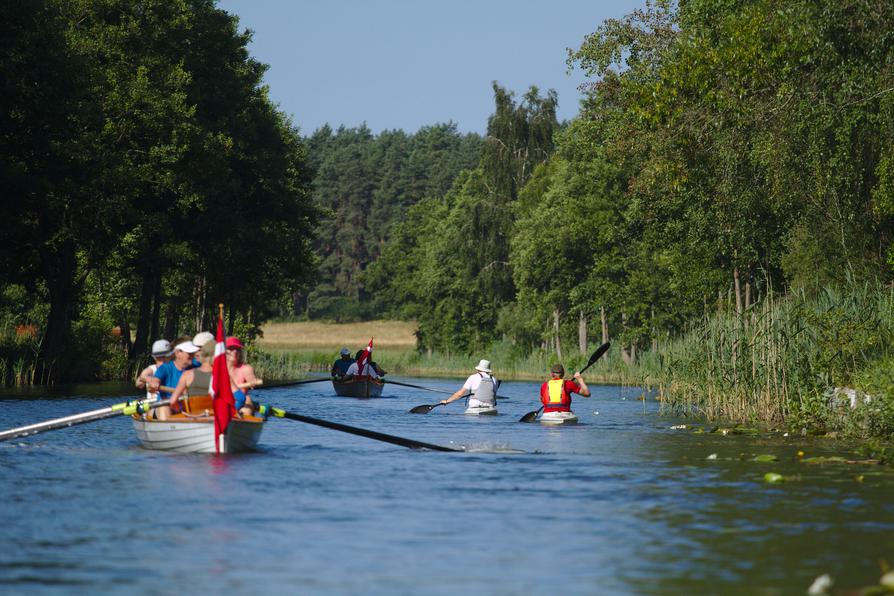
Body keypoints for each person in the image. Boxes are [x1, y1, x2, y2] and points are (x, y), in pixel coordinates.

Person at [148, 338, 200, 421]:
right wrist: (153, 384)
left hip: (187, 407)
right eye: (189, 353)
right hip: (167, 406)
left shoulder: (197, 365)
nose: (192, 355)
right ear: (178, 353)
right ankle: (166, 429)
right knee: (164, 407)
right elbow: (154, 381)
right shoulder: (165, 368)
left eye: (193, 353)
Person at [167, 339, 215, 411]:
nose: (192, 355)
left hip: (193, 418)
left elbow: (172, 401)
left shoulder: (187, 374)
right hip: (216, 418)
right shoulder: (224, 375)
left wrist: (184, 412)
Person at [226, 336, 259, 417]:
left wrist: (252, 382)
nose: (235, 351)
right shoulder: (217, 368)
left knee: (247, 400)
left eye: (237, 349)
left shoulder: (246, 369)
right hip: (224, 399)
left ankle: (244, 420)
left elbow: (253, 381)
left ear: (240, 352)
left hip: (243, 401)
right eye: (231, 348)